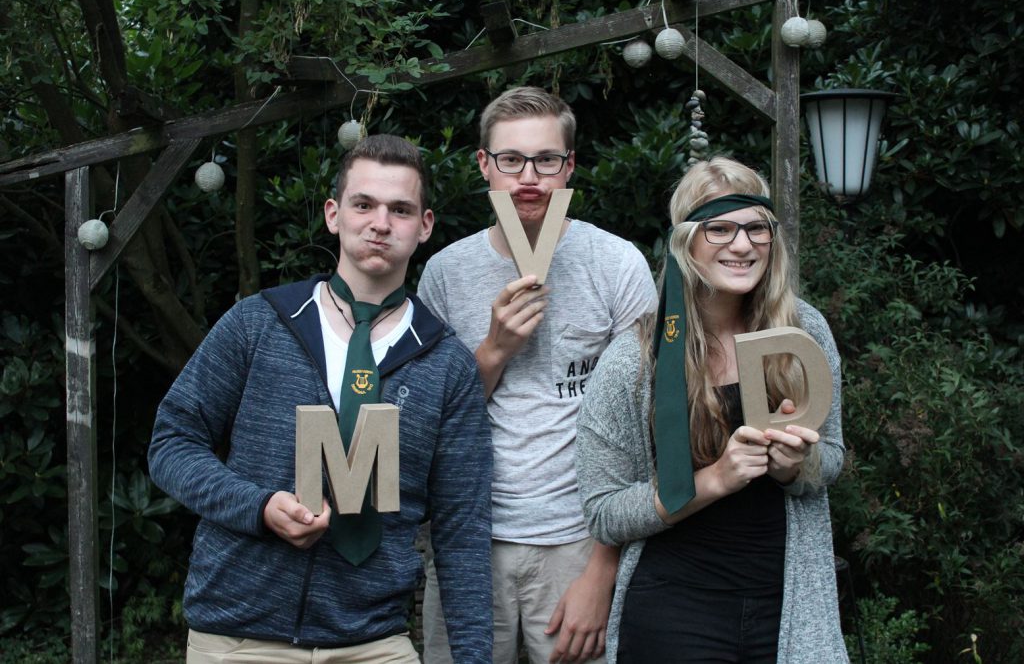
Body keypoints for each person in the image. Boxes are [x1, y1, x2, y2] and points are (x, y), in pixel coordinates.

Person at [149, 134, 493, 663]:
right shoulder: (258, 324)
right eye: (364, 204)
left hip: (374, 642)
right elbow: (172, 444)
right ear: (334, 214)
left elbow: (462, 528)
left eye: (400, 209)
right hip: (238, 639)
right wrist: (258, 506)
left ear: (424, 225)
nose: (381, 222)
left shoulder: (446, 364)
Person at [417, 86, 658, 664]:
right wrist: (494, 350)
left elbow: (648, 425)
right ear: (484, 165)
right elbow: (428, 423)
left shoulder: (617, 264)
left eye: (547, 160)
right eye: (511, 160)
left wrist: (604, 566)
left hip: (581, 540)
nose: (529, 176)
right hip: (470, 539)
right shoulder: (445, 273)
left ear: (568, 167)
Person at [575, 157, 848, 663]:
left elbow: (831, 457)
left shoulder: (803, 334)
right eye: (719, 228)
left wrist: (795, 469)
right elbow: (604, 513)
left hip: (785, 608)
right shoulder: (635, 360)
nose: (742, 246)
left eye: (756, 229)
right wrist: (715, 480)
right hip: (676, 611)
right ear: (685, 242)